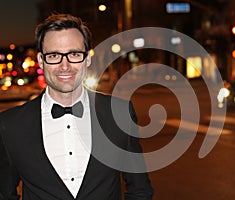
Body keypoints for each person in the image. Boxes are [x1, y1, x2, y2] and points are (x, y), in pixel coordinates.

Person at [0, 13, 153, 200]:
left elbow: (140, 190)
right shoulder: (10, 125)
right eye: (54, 55)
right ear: (41, 60)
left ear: (87, 58)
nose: (65, 66)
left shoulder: (119, 113)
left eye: (74, 54)